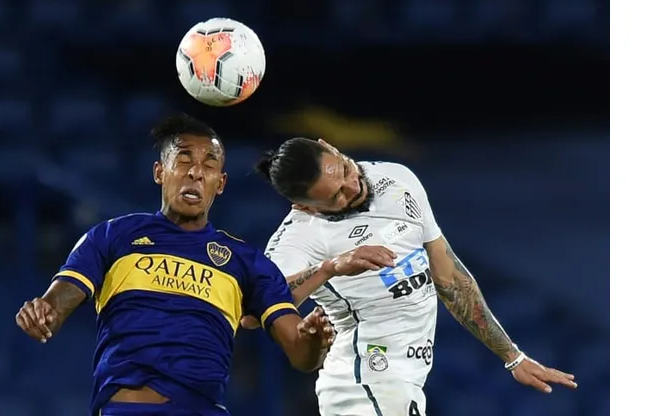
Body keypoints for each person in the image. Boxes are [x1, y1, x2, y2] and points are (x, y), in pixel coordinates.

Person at [15, 116, 386, 416]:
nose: (195, 172)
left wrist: (314, 340)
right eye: (184, 161)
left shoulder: (247, 262)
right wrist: (44, 312)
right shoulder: (113, 236)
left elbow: (300, 353)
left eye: (209, 165)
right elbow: (56, 304)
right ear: (160, 172)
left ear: (220, 184)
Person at [245, 137, 579, 416]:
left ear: (330, 146)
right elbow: (251, 315)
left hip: (402, 383)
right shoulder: (299, 237)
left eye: (345, 169)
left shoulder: (395, 178)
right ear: (304, 206)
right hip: (366, 384)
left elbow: (450, 279)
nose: (353, 186)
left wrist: (512, 357)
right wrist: (328, 268)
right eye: (336, 197)